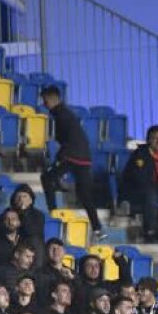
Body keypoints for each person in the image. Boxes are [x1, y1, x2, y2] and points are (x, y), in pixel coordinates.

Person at [39, 86, 103, 239]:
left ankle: (53, 214)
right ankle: (97, 228)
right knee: (84, 194)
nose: (44, 104)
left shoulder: (61, 114)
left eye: (45, 100)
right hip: (84, 157)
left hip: (72, 155)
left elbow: (70, 138)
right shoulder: (65, 113)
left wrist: (61, 157)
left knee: (46, 177)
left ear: (53, 99)